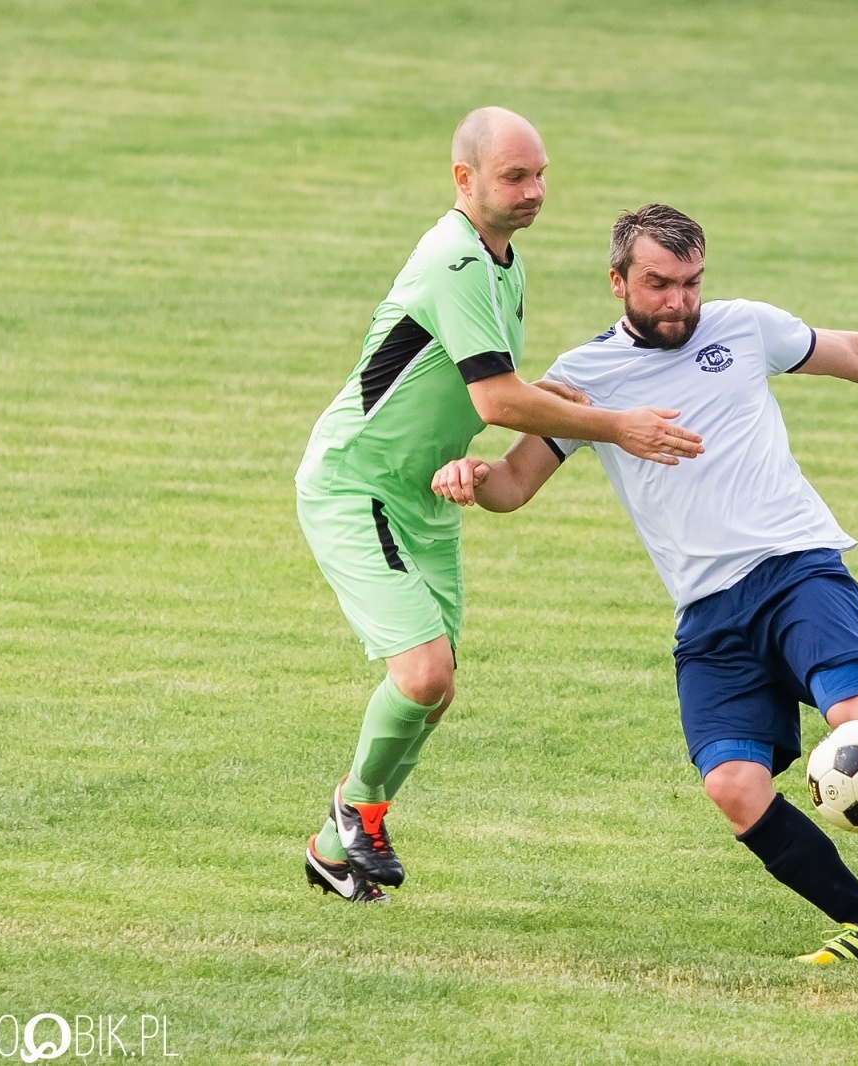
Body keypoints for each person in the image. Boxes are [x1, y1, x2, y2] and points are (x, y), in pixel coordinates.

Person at [433, 204, 858, 962]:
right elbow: (516, 484)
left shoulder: (743, 327)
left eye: (691, 284)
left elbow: (856, 353)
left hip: (795, 568)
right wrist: (474, 478)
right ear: (617, 280)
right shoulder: (583, 378)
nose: (678, 303)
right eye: (659, 284)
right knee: (732, 786)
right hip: (707, 615)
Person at [295, 113, 704, 903]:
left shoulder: (502, 261)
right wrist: (617, 425)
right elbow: (496, 399)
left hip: (423, 494)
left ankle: (332, 846)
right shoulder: (453, 258)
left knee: (436, 691)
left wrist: (544, 390)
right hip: (359, 485)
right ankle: (359, 810)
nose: (534, 191)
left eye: (540, 174)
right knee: (420, 675)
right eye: (515, 177)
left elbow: (488, 379)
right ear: (464, 180)